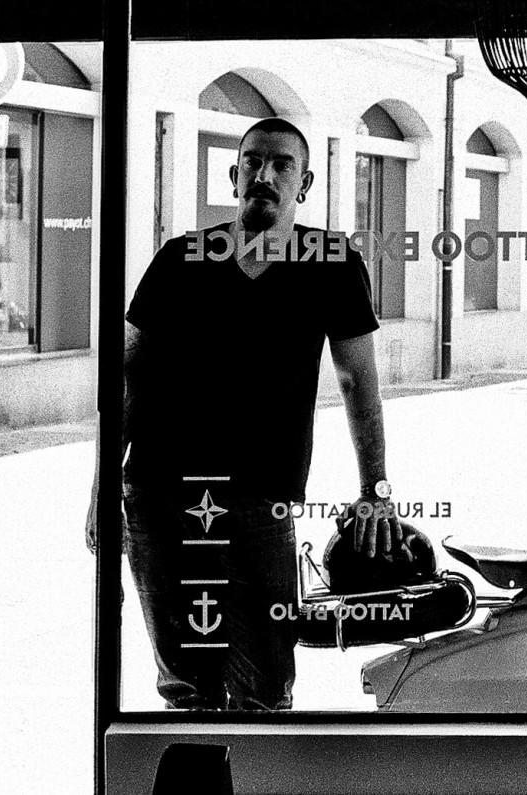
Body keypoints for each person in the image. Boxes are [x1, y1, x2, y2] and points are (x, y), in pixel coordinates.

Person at [85, 117, 402, 710]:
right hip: (160, 493)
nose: (265, 175)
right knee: (186, 686)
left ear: (304, 184)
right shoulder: (182, 258)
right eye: (253, 162)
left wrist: (375, 489)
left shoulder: (332, 263)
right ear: (234, 176)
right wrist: (104, 486)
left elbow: (358, 383)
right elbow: (130, 378)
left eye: (282, 165)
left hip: (261, 498)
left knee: (267, 687)